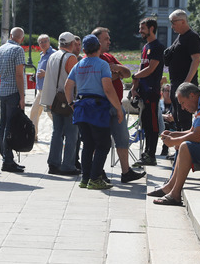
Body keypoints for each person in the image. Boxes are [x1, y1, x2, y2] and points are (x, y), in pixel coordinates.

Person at [64, 34, 125, 190]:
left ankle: (85, 178)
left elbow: (67, 86)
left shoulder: (79, 64)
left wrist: (72, 103)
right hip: (97, 108)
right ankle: (95, 178)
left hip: (81, 107)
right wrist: (118, 108)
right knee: (103, 144)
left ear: (84, 49)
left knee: (88, 144)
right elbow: (107, 88)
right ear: (98, 48)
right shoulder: (102, 64)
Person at [93, 27, 146, 183]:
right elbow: (105, 81)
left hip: (117, 105)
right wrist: (117, 74)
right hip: (102, 106)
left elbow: (127, 73)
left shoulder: (109, 56)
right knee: (101, 141)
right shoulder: (92, 59)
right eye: (106, 39)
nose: (109, 41)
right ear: (97, 41)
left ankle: (126, 172)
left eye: (109, 38)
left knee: (123, 139)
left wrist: (116, 69)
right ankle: (98, 171)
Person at [0, 27, 28, 173]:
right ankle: (8, 161)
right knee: (11, 126)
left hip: (3, 91)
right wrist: (22, 96)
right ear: (21, 38)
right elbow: (19, 75)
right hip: (14, 92)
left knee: (3, 125)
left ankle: (5, 156)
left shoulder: (2, 48)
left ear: (10, 35)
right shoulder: (18, 50)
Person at [40, 32, 81, 176]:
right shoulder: (70, 57)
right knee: (71, 133)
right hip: (67, 99)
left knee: (56, 132)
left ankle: (53, 163)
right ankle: (68, 165)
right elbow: (75, 80)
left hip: (55, 101)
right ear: (72, 44)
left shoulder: (53, 55)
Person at [130, 18, 165, 165]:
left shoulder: (157, 46)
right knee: (144, 123)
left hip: (152, 90)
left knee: (153, 124)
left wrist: (135, 76)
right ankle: (146, 153)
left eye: (143, 28)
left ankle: (151, 154)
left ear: (151, 28)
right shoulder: (146, 47)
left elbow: (151, 69)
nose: (140, 31)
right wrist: (134, 86)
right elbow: (141, 67)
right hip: (142, 90)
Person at [165, 9, 200, 133]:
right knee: (177, 118)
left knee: (184, 119)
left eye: (173, 22)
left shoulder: (192, 37)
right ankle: (179, 149)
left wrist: (186, 83)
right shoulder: (180, 37)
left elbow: (196, 60)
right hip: (176, 83)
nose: (172, 26)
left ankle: (185, 149)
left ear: (182, 21)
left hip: (184, 85)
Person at [30, 34, 55, 139]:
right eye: (41, 42)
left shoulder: (53, 54)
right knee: (34, 112)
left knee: (51, 114)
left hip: (48, 89)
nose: (43, 44)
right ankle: (33, 136)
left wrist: (46, 74)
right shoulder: (42, 54)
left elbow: (57, 71)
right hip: (40, 89)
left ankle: (61, 133)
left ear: (49, 42)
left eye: (45, 41)